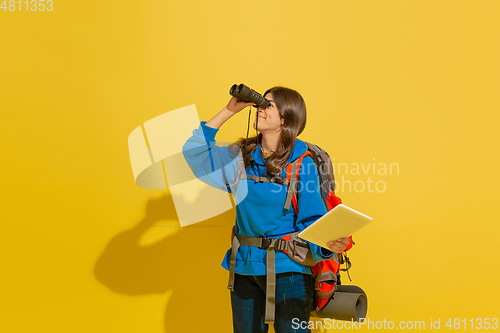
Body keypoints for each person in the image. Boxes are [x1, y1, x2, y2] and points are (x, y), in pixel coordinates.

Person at [182, 86, 350, 333]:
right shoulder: (240, 158)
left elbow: (313, 220)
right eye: (261, 102)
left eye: (268, 104)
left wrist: (327, 245)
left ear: (286, 117)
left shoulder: (303, 163)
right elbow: (194, 154)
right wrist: (230, 110)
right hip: (244, 266)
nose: (260, 107)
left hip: (289, 269)